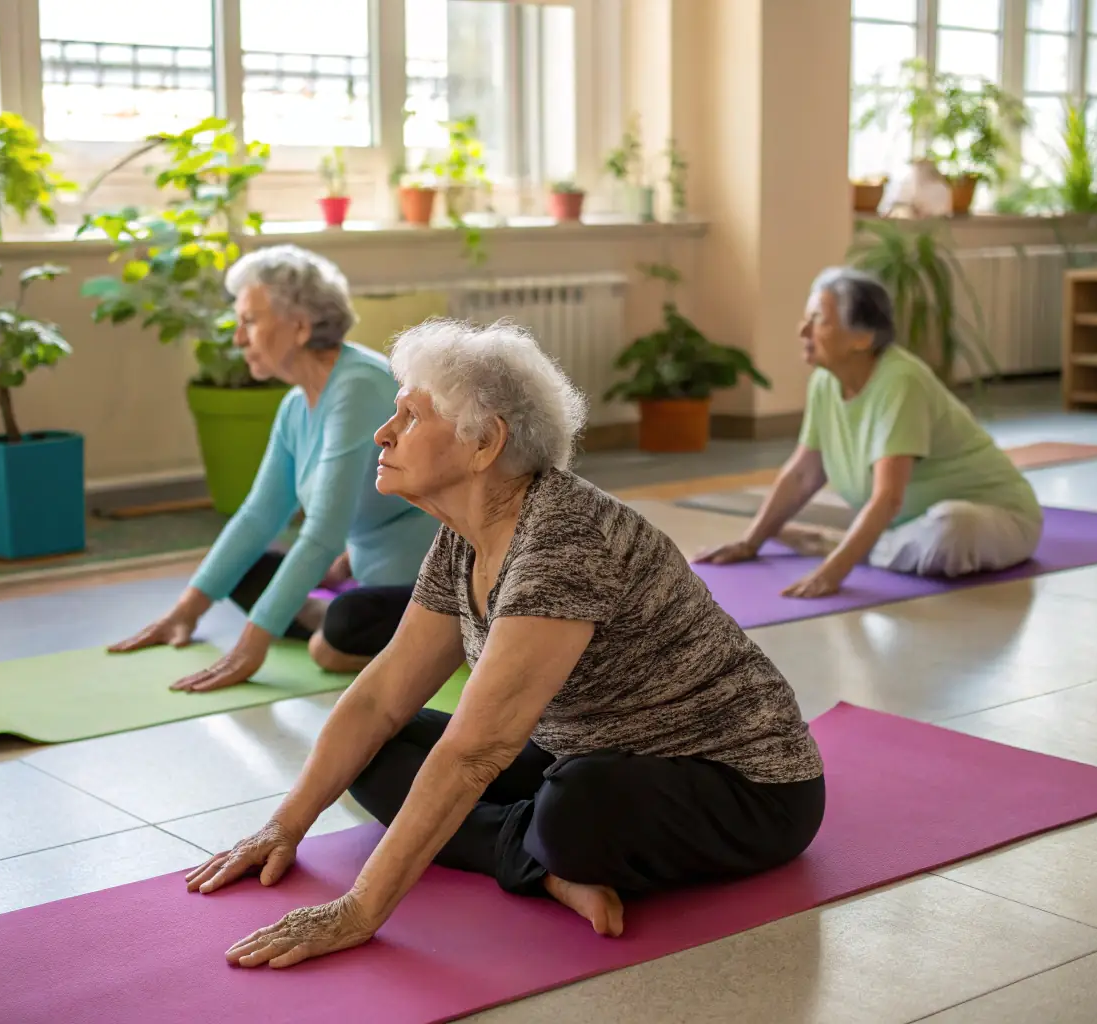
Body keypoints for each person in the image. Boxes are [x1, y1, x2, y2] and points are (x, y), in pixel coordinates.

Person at [182, 319, 826, 969]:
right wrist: (282, 827)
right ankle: (541, 866)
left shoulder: (565, 540)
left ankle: (544, 847)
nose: (383, 432)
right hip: (585, 752)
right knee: (378, 753)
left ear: (484, 443)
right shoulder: (464, 532)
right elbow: (381, 696)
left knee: (574, 809)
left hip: (746, 788)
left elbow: (476, 752)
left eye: (409, 416)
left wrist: (358, 911)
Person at [110, 245, 438, 688]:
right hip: (361, 578)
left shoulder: (357, 386)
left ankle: (431, 640)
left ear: (300, 326)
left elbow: (324, 530)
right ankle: (339, 621)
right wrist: (184, 611)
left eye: (249, 321)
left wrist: (251, 645)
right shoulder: (295, 405)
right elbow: (258, 515)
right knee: (248, 568)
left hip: (429, 585)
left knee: (338, 631)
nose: (238, 338)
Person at [696, 267, 1042, 598]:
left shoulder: (900, 381)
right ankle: (864, 543)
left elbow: (888, 497)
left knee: (951, 529)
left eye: (818, 320)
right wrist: (751, 542)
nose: (803, 330)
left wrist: (832, 571)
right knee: (927, 531)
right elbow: (803, 474)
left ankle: (834, 542)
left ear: (862, 338)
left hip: (998, 520)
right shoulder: (824, 382)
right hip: (908, 525)